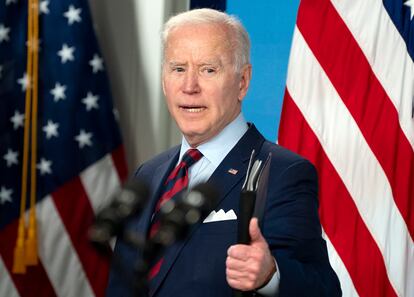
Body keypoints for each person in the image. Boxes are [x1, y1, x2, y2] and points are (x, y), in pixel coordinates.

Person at [106, 8, 341, 297]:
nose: (189, 87)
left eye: (208, 70)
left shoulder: (282, 172)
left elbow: (323, 290)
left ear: (242, 82)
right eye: (178, 68)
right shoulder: (149, 173)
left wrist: (271, 275)